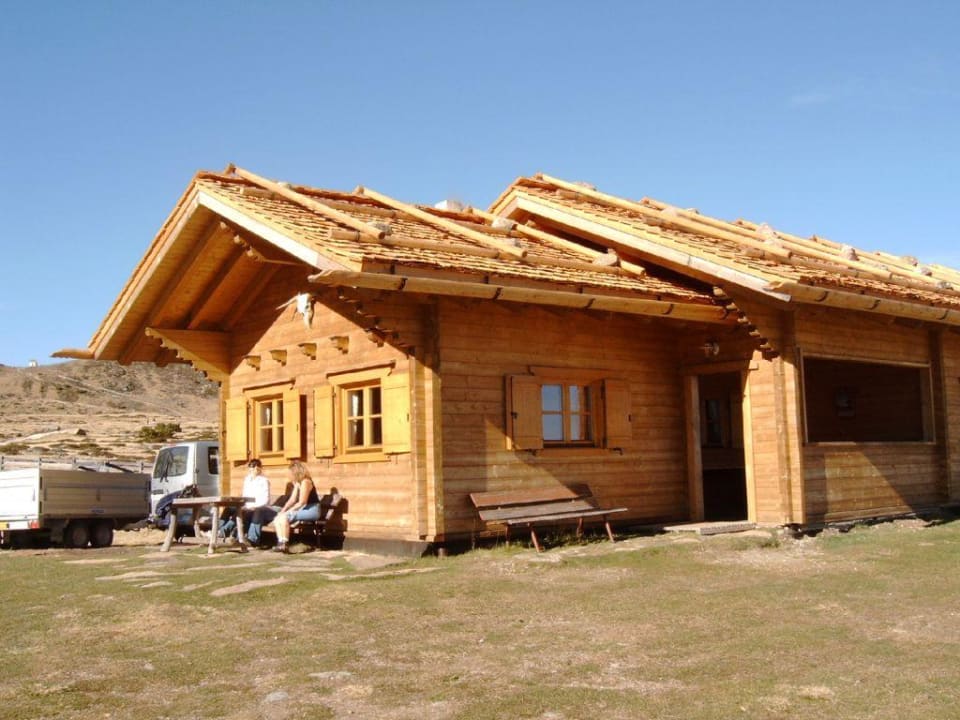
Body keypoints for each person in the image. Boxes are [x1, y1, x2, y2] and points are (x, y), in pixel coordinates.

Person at [220, 459, 273, 546]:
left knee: (246, 512)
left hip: (259, 507)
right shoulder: (247, 480)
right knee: (229, 509)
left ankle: (251, 540)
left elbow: (265, 499)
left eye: (254, 469)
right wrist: (244, 505)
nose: (251, 471)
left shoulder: (263, 481)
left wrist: (253, 506)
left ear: (259, 469)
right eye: (250, 469)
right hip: (247, 506)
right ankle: (219, 531)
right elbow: (245, 495)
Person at [272, 460, 320, 553]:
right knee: (278, 518)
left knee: (285, 517)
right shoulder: (298, 483)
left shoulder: (306, 482)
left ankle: (285, 543)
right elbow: (292, 500)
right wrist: (284, 510)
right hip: (304, 508)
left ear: (295, 472)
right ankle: (280, 542)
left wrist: (288, 512)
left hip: (312, 509)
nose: (289, 475)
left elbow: (302, 502)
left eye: (291, 473)